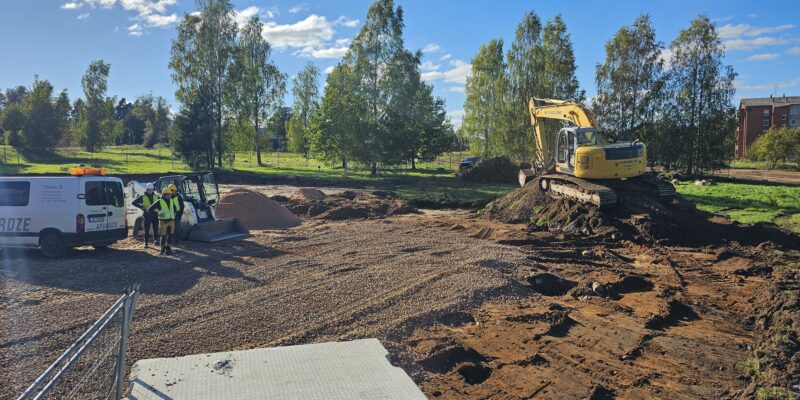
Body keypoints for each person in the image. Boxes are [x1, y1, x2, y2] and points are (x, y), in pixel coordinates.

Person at [148, 188, 176, 255]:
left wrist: (174, 213)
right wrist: (158, 212)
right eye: (169, 194)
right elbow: (150, 209)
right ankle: (162, 250)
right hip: (163, 221)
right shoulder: (159, 201)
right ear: (165, 194)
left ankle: (168, 249)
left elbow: (174, 208)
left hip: (171, 220)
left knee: (170, 235)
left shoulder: (171, 200)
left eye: (170, 194)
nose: (170, 195)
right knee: (163, 236)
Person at [131, 183, 160, 248]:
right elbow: (134, 203)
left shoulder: (156, 196)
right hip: (147, 215)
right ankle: (146, 242)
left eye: (151, 190)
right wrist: (141, 206)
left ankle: (155, 240)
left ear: (153, 190)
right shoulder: (142, 196)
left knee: (156, 228)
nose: (150, 191)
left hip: (155, 215)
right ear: (146, 190)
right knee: (147, 229)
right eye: (149, 190)